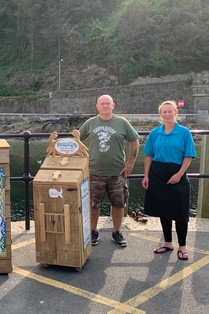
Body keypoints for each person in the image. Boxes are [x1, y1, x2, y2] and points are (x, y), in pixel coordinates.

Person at [79, 95, 139, 247]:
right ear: (97, 106)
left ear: (113, 105)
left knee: (119, 204)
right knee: (93, 204)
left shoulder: (122, 123)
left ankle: (117, 232)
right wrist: (83, 162)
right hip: (94, 172)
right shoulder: (90, 123)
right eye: (102, 104)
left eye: (108, 103)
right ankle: (92, 231)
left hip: (117, 173)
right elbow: (76, 140)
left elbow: (134, 140)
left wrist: (130, 163)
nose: (105, 106)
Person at [142, 100, 196, 260]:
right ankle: (167, 242)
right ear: (160, 114)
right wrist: (146, 175)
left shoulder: (184, 132)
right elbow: (148, 155)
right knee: (163, 210)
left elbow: (188, 156)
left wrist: (179, 174)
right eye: (164, 112)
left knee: (180, 211)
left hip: (177, 174)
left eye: (170, 111)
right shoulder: (154, 133)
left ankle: (183, 247)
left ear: (176, 113)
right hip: (157, 175)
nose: (167, 114)